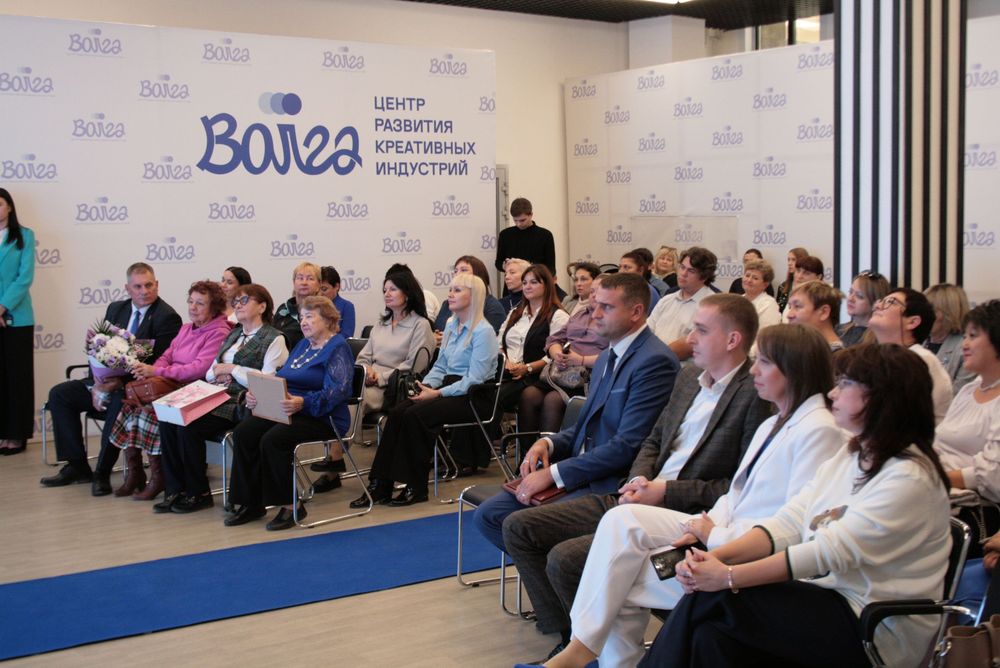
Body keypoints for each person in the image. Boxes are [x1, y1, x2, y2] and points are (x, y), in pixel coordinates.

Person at [534, 324, 845, 668]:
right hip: (722, 530)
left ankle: (585, 649)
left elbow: (792, 524)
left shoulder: (819, 429)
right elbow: (735, 494)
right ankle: (583, 648)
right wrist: (704, 524)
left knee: (615, 583)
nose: (755, 370)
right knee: (621, 522)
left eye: (765, 363)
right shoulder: (774, 423)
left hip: (752, 555)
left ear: (794, 370)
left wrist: (715, 536)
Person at [639, 344, 951, 668]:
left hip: (875, 626)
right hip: (831, 598)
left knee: (716, 595)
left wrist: (728, 576)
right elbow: (790, 521)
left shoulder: (910, 478)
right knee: (711, 636)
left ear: (882, 397)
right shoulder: (853, 454)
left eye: (845, 384)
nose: (832, 393)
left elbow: (826, 553)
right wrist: (717, 558)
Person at [503, 294, 772, 657]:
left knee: (567, 560)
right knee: (520, 527)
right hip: (636, 494)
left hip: (685, 512)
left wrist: (664, 491)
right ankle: (569, 638)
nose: (690, 339)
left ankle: (578, 650)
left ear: (732, 340)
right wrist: (638, 480)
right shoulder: (689, 377)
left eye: (701, 330)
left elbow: (736, 488)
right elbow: (653, 440)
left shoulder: (754, 395)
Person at [473, 272, 680, 552]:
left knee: (519, 525)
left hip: (609, 482)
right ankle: (555, 574)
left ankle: (563, 573)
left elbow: (628, 446)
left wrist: (554, 473)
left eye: (606, 307)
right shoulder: (607, 356)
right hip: (581, 470)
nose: (595, 314)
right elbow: (586, 425)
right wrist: (548, 443)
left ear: (636, 312)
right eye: (595, 305)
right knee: (489, 515)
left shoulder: (654, 362)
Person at [350, 273, 499, 508]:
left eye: (457, 290)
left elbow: (475, 379)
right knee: (398, 412)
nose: (450, 294)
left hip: (473, 395)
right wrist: (425, 386)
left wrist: (437, 393)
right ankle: (380, 483)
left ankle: (416, 486)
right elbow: (440, 365)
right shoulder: (451, 325)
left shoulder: (483, 332)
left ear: (474, 296)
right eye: (450, 289)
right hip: (447, 387)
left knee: (415, 415)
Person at [40, 263, 182, 494]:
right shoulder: (116, 309)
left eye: (149, 285)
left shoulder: (167, 317)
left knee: (119, 402)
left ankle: (102, 473)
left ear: (157, 285)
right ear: (127, 288)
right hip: (104, 382)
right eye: (138, 286)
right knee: (60, 394)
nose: (144, 291)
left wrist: (118, 383)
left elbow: (157, 364)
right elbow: (99, 350)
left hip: (135, 387)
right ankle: (76, 466)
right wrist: (97, 385)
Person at [156, 284, 288, 514]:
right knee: (169, 419)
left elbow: (268, 381)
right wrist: (224, 371)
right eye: (235, 301)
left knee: (190, 426)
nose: (238, 305)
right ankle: (175, 489)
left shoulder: (274, 338)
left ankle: (199, 493)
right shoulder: (234, 334)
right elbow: (211, 371)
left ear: (262, 306)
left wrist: (233, 369)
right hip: (217, 394)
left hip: (243, 402)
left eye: (244, 301)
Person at [225, 296, 353, 530]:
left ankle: (291, 505)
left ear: (327, 319)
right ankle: (251, 503)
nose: (303, 322)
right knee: (245, 432)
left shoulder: (338, 347)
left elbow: (339, 391)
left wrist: (303, 402)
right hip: (290, 408)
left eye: (309, 317)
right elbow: (283, 377)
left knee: (273, 440)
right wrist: (258, 395)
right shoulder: (303, 344)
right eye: (301, 317)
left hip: (323, 416)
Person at [108, 280, 233, 500]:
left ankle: (162, 479)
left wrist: (157, 371)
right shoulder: (186, 328)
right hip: (174, 386)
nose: (193, 307)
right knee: (133, 407)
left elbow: (199, 369)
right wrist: (154, 371)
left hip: (196, 389)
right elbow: (167, 355)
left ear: (214, 307)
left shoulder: (219, 331)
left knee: (153, 412)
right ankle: (146, 477)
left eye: (200, 303)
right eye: (191, 301)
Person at [311, 272, 436, 491]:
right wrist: (367, 370)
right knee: (336, 394)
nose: (387, 294)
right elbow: (363, 357)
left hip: (394, 386)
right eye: (385, 290)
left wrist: (381, 378)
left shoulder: (420, 325)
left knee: (351, 399)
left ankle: (335, 460)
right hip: (368, 379)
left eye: (393, 289)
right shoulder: (381, 323)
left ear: (407, 293)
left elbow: (415, 366)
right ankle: (333, 459)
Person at [934, 300, 1000, 546]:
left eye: (973, 336)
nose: (964, 344)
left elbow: (994, 477)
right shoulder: (969, 390)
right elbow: (940, 442)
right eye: (964, 336)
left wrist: (936, 476)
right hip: (941, 490)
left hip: (974, 509)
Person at [490, 265, 570, 461]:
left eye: (534, 282)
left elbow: (556, 353)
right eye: (525, 282)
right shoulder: (516, 312)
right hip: (509, 372)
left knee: (497, 398)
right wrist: (507, 361)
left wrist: (527, 368)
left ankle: (528, 457)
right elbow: (499, 342)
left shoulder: (557, 315)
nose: (527, 286)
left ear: (547, 285)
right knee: (481, 394)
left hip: (538, 376)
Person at [520, 274, 610, 440]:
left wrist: (581, 360)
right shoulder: (579, 315)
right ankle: (527, 452)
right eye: (592, 292)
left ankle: (549, 451)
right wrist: (557, 354)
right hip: (561, 371)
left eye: (598, 292)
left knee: (552, 400)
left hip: (588, 377)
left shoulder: (613, 320)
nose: (593, 296)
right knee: (529, 395)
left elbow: (613, 355)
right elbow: (554, 339)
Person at [868, 287, 953, 423]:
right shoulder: (875, 358)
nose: (878, 305)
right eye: (880, 301)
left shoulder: (921, 360)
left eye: (891, 302)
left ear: (912, 322)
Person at [0, 188, 35, 455]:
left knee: (18, 378)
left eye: (0, 204)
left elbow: (24, 277)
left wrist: (2, 307)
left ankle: (17, 435)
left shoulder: (25, 235)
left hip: (17, 317)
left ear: (9, 207)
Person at [646, 247, 718, 363]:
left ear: (704, 276)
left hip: (681, 369)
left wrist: (650, 360)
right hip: (652, 362)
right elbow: (646, 333)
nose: (683, 274)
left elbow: (688, 347)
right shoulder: (667, 300)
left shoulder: (712, 306)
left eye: (691, 271)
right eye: (682, 267)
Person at [432, 255, 507, 335]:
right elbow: (437, 329)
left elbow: (488, 336)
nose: (457, 274)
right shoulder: (448, 303)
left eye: (463, 270)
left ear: (478, 275)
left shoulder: (492, 306)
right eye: (455, 271)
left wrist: (449, 337)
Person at [925, 283, 976, 393]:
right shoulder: (919, 342)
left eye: (930, 310)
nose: (923, 315)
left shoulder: (966, 348)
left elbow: (958, 395)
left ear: (949, 314)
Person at [495, 197, 556, 288]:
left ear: (531, 215)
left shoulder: (545, 235)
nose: (519, 224)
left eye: (522, 220)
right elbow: (498, 262)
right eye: (515, 220)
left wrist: (532, 271)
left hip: (535, 286)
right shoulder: (505, 235)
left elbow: (551, 268)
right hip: (512, 288)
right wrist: (505, 266)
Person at [273, 261, 322, 349]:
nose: (304, 282)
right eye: (300, 278)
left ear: (319, 285)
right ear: (294, 282)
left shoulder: (324, 310)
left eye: (310, 278)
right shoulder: (283, 310)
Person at [836, 270, 890, 347]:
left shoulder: (880, 339)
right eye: (850, 292)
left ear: (875, 303)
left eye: (859, 296)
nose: (850, 299)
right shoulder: (839, 330)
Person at [785, 281, 844, 350]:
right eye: (790, 307)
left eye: (797, 306)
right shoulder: (804, 350)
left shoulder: (836, 355)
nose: (789, 315)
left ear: (824, 312)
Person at [740, 259, 780, 333]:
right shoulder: (739, 300)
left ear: (765, 285)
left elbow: (767, 335)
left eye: (755, 278)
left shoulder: (769, 304)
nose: (749, 280)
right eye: (747, 275)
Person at [318, 265, 356, 338]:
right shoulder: (313, 306)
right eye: (317, 289)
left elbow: (346, 335)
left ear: (337, 287)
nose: (320, 294)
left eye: (324, 289)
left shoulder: (346, 306)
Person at [775, 247, 808, 313]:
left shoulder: (811, 287)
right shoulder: (783, 286)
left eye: (793, 260)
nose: (789, 263)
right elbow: (778, 310)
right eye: (788, 260)